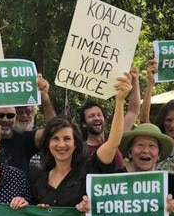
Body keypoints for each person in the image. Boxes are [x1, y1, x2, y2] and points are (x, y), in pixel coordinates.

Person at [33, 72, 132, 207]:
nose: (61, 144)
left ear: (75, 144)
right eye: (55, 139)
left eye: (67, 138)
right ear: (48, 144)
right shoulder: (40, 182)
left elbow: (113, 143)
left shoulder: (90, 170)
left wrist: (120, 101)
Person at [79, 65, 142, 171]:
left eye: (99, 115)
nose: (96, 118)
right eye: (91, 116)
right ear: (84, 123)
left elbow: (133, 111)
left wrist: (135, 80)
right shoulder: (80, 150)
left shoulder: (116, 137)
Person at [119, 123, 174, 206]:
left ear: (159, 155)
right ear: (130, 152)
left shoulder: (171, 182)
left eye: (152, 146)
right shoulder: (115, 180)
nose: (145, 150)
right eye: (140, 145)